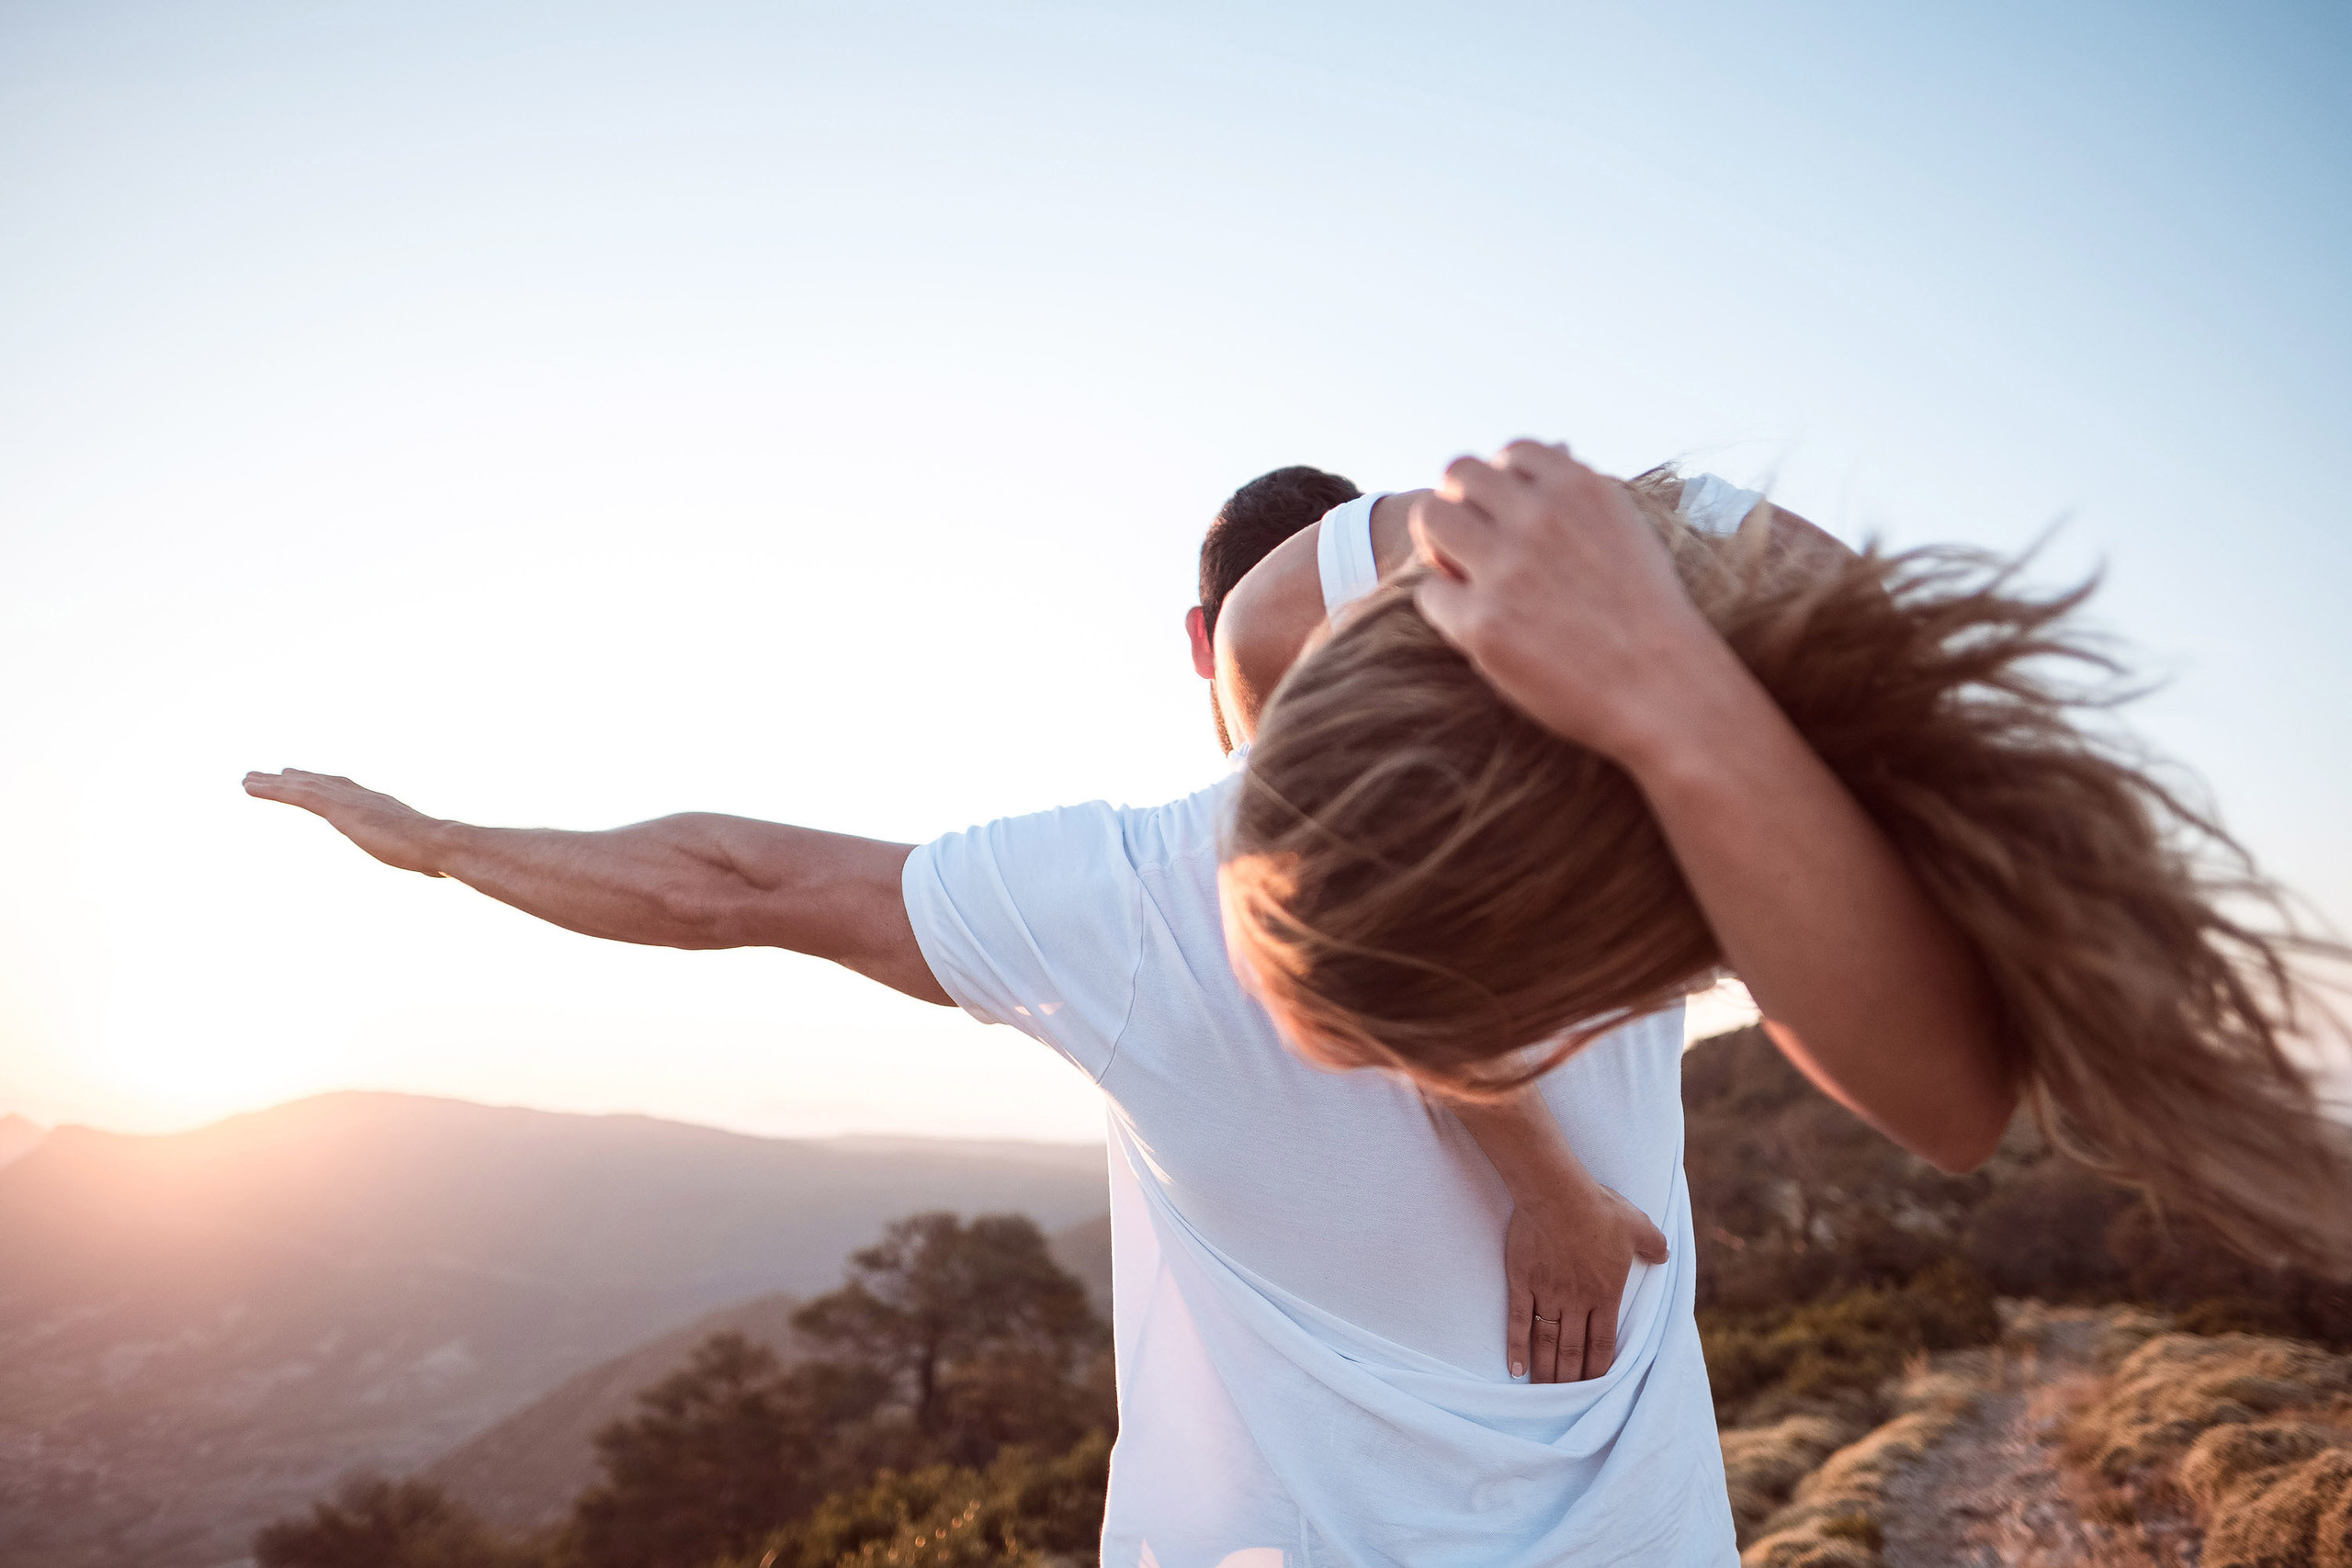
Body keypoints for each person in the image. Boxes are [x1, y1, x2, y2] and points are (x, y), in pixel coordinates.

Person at [246, 449, 1946, 1563]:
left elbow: (730, 882)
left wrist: (449, 845)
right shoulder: (1631, 822)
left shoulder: (1131, 898)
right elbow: (1873, 687)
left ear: (1201, 640)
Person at [1223, 441, 2352, 1272]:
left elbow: (1946, 1106)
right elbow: (1958, 1119)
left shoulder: (1831, 722)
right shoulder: (1274, 621)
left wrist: (1672, 705)